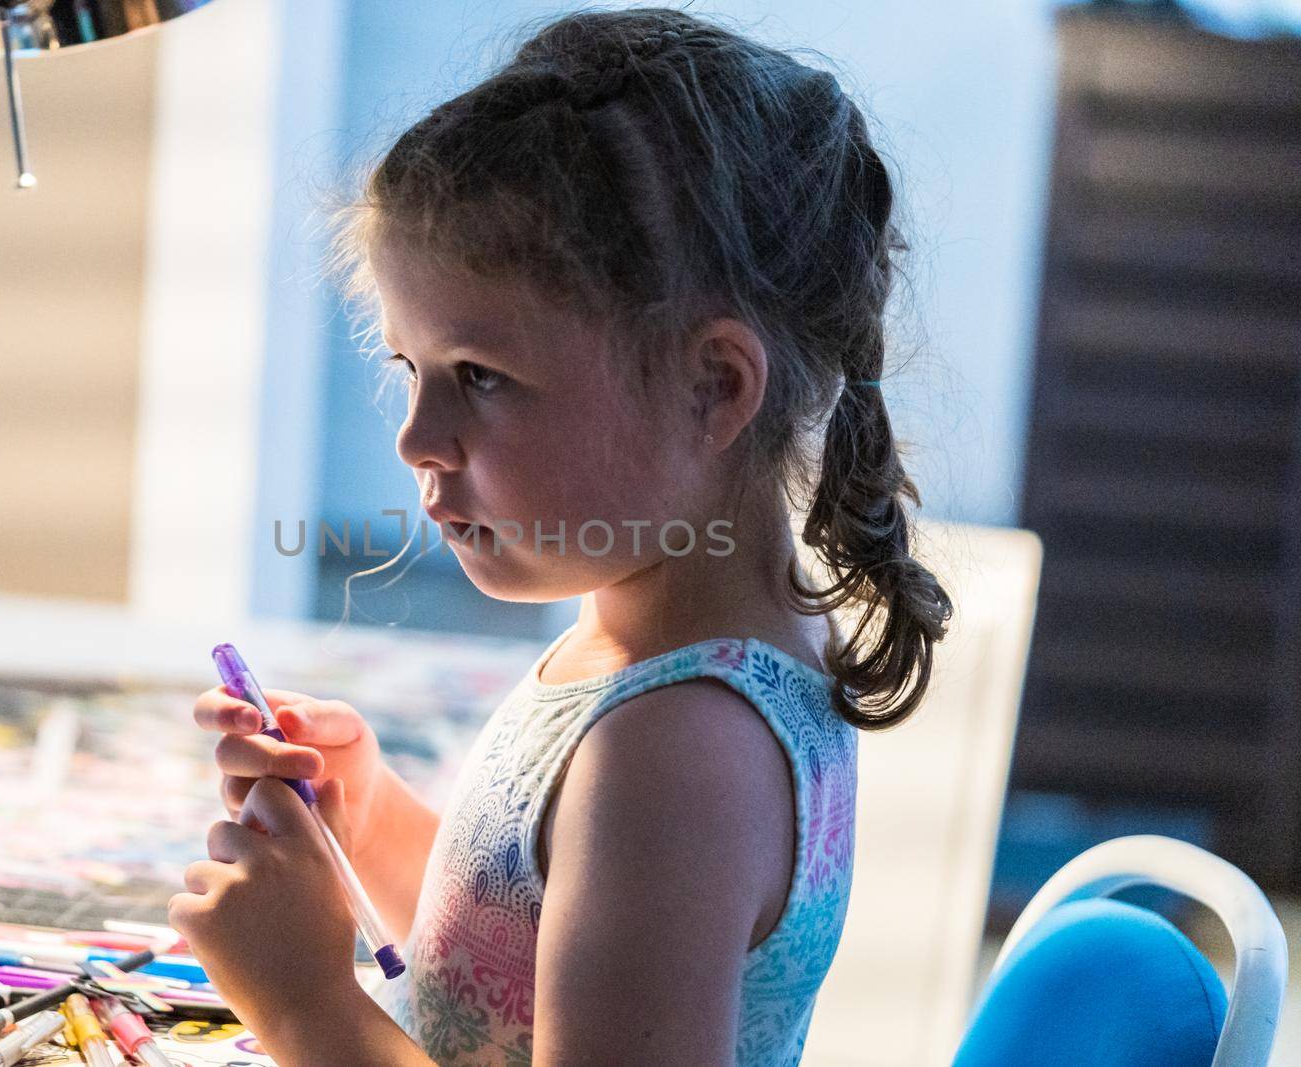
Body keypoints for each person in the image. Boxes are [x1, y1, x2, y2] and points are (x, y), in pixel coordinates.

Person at [168, 8, 952, 1065]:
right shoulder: (655, 654)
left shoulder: (681, 749)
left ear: (709, 388)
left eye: (480, 378)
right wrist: (364, 811)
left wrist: (306, 1001)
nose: (416, 438)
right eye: (412, 369)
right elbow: (515, 971)